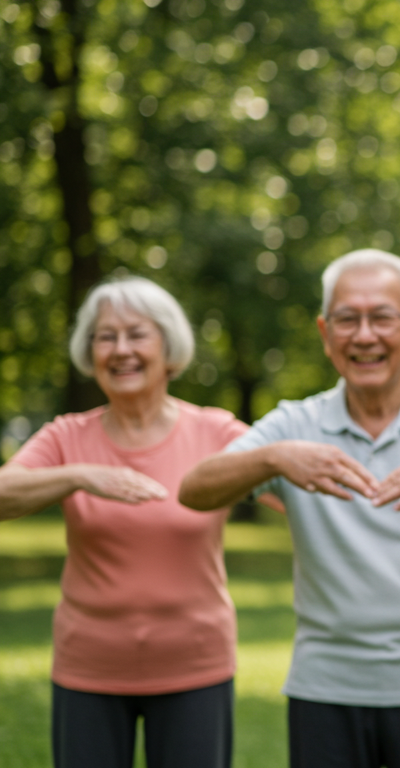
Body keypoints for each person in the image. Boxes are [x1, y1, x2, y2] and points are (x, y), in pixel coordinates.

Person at [179, 250, 400, 768]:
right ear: (325, 332)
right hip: (326, 686)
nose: (364, 335)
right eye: (347, 319)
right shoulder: (294, 425)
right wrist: (273, 458)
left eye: (382, 317)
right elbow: (194, 489)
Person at [0, 277, 248, 768]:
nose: (120, 349)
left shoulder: (215, 431)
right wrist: (78, 476)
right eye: (104, 336)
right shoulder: (67, 436)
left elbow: (289, 484)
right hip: (88, 670)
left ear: (168, 347)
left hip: (196, 667)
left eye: (137, 334)